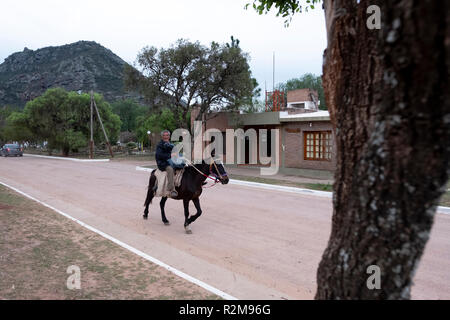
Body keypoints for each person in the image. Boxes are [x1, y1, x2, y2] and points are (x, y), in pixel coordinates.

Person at [155, 130, 178, 198]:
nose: (166, 137)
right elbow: (159, 155)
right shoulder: (160, 145)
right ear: (162, 136)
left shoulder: (171, 144)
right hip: (163, 163)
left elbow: (175, 152)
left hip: (171, 161)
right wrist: (170, 155)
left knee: (184, 167)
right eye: (164, 135)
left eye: (167, 135)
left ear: (169, 136)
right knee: (170, 169)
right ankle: (171, 190)